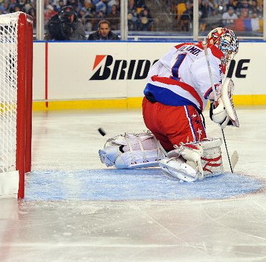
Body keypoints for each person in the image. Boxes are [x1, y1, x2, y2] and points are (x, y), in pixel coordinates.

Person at [99, 27, 240, 182]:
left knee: (169, 145)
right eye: (227, 50)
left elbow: (156, 69)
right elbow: (203, 71)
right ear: (220, 45)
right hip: (177, 111)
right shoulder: (212, 53)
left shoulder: (182, 47)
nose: (227, 55)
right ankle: (184, 162)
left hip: (150, 107)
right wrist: (215, 95)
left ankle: (124, 150)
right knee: (203, 156)